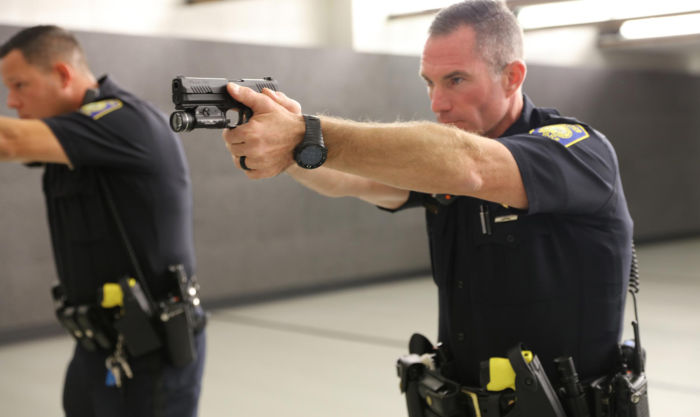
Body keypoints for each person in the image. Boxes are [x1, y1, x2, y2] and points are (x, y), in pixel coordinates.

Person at [221, 0, 634, 393]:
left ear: (512, 76)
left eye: (456, 80)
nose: (438, 102)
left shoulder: (577, 152)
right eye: (429, 83)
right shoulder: (442, 165)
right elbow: (344, 179)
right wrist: (288, 148)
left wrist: (307, 133)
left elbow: (470, 166)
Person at [0, 26, 205, 417]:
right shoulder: (71, 135)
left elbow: (10, 141)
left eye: (19, 85)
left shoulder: (125, 121)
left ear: (62, 74)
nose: (12, 101)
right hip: (97, 346)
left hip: (151, 351)